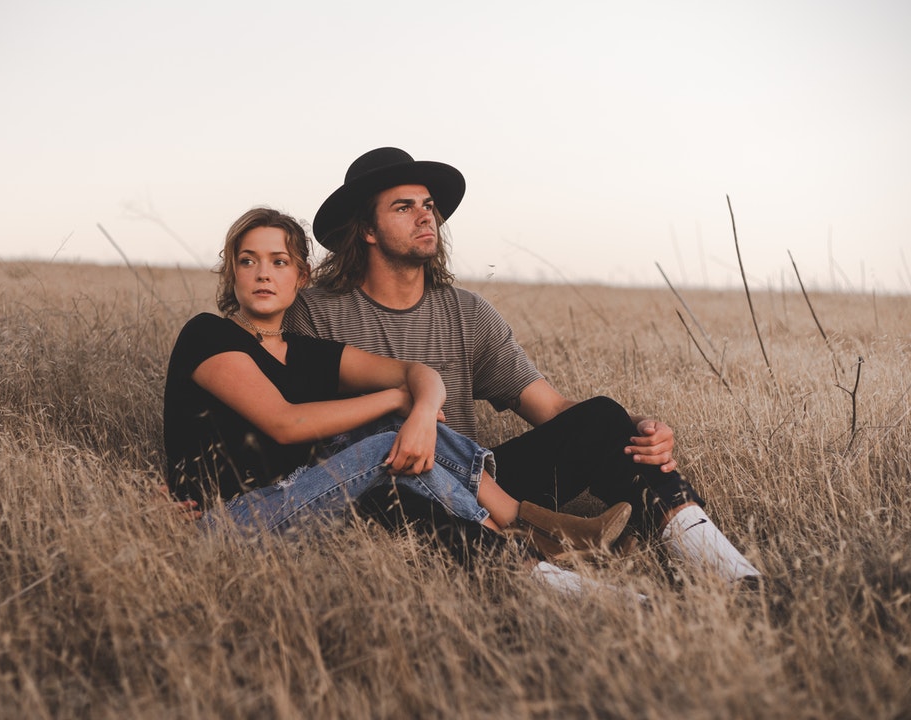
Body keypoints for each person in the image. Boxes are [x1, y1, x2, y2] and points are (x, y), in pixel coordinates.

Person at [284, 147, 761, 588]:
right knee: (390, 493)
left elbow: (550, 407)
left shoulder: (467, 312)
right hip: (388, 486)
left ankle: (728, 571)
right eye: (403, 207)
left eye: (428, 204)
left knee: (603, 417)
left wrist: (634, 428)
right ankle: (569, 586)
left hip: (480, 481)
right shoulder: (315, 313)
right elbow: (296, 430)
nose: (426, 214)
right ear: (366, 229)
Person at [163, 207, 643, 598]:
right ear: (232, 271)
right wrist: (398, 401)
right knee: (384, 439)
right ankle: (531, 532)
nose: (263, 274)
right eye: (248, 261)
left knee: (400, 437)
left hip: (304, 500)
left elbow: (422, 376)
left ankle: (533, 546)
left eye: (279, 262)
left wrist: (417, 410)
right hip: (230, 520)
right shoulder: (208, 335)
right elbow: (285, 424)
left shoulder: (307, 352)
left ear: (301, 276)